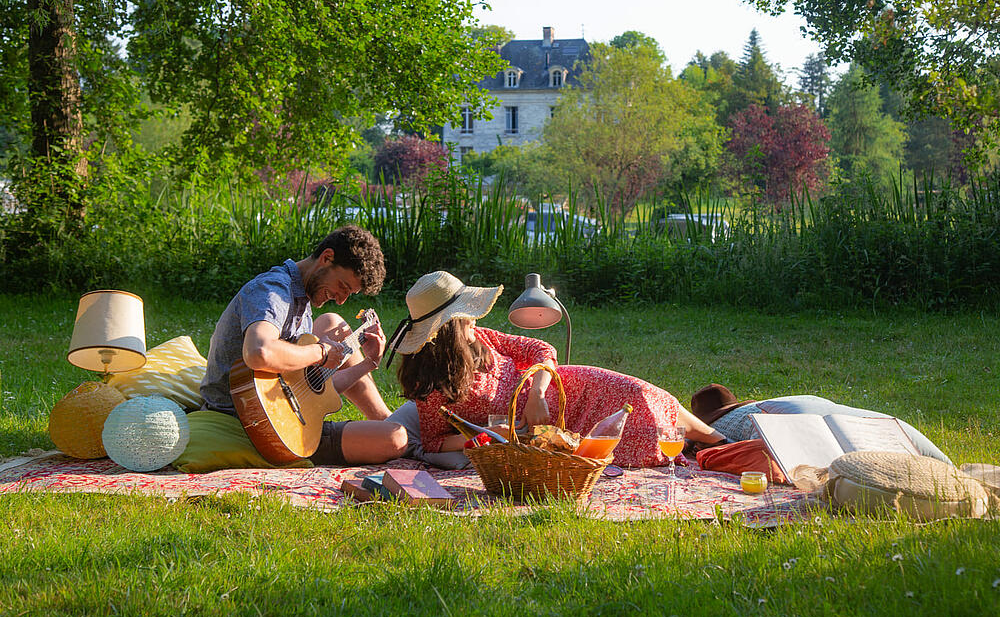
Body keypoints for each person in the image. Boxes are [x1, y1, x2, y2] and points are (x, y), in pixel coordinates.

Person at [386, 271, 728, 467]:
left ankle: (720, 441)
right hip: (547, 431)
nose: (474, 317)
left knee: (639, 393)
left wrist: (536, 391)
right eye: (466, 313)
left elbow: (541, 347)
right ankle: (708, 450)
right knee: (627, 438)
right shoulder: (429, 386)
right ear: (450, 326)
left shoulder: (482, 337)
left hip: (564, 390)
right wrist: (489, 438)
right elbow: (432, 443)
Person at [200, 225, 407, 465]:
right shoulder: (273, 290)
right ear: (326, 258)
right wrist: (320, 351)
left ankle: (387, 419)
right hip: (251, 422)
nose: (341, 300)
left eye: (349, 294)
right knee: (397, 438)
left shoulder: (302, 304)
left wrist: (368, 364)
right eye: (342, 286)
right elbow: (259, 352)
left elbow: (310, 393)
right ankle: (400, 429)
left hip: (281, 414)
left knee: (332, 322)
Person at [689, 383, 953, 465]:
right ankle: (943, 464)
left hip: (794, 420)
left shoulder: (721, 426)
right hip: (825, 407)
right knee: (877, 428)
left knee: (842, 457)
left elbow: (696, 441)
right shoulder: (770, 401)